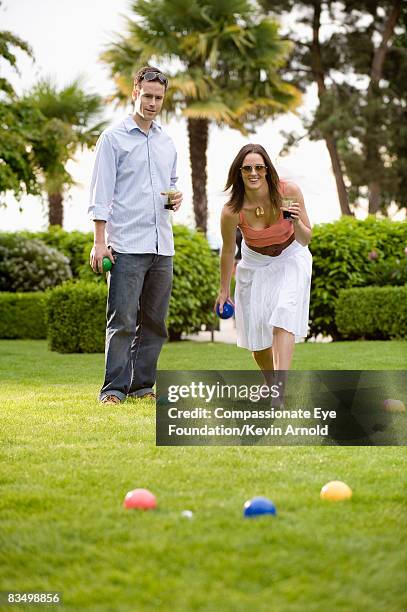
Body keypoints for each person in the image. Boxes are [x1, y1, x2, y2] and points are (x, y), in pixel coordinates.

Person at [88, 66, 182, 405]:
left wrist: (176, 198)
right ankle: (113, 389)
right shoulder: (113, 139)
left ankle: (142, 387)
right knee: (123, 321)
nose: (153, 103)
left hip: (162, 246)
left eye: (159, 98)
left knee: (155, 323)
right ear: (135, 93)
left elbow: (170, 185)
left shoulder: (166, 141)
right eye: (148, 96)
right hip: (126, 245)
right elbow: (101, 194)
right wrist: (100, 242)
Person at [215, 144, 312, 376]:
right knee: (258, 341)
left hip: (291, 256)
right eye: (247, 168)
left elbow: (305, 239)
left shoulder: (288, 193)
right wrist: (223, 290)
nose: (253, 173)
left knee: (284, 313)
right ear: (239, 172)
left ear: (267, 169)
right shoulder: (232, 210)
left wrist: (297, 222)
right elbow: (228, 251)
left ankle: (280, 389)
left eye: (259, 167)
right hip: (254, 262)